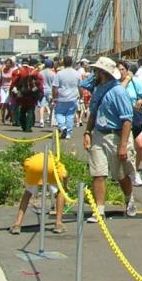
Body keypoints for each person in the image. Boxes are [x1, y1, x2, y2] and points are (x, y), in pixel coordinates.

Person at [83, 56, 137, 223]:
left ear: (103, 72)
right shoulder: (98, 89)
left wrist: (123, 145)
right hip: (99, 133)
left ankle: (129, 197)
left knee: (120, 174)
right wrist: (87, 132)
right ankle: (99, 210)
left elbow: (127, 119)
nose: (94, 73)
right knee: (98, 173)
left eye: (97, 71)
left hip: (116, 134)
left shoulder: (118, 92)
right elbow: (93, 112)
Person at [11, 150, 68, 235]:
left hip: (33, 167)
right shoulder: (56, 162)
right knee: (60, 191)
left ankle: (17, 224)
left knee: (27, 193)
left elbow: (26, 166)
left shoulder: (32, 158)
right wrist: (65, 186)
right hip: (50, 168)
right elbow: (65, 175)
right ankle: (58, 223)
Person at [52, 55, 82, 140]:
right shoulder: (77, 73)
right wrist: (81, 96)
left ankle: (62, 127)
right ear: (72, 63)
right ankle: (68, 133)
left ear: (63, 63)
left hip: (61, 97)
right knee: (70, 115)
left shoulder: (60, 73)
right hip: (73, 98)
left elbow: (55, 87)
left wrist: (54, 97)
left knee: (58, 113)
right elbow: (80, 86)